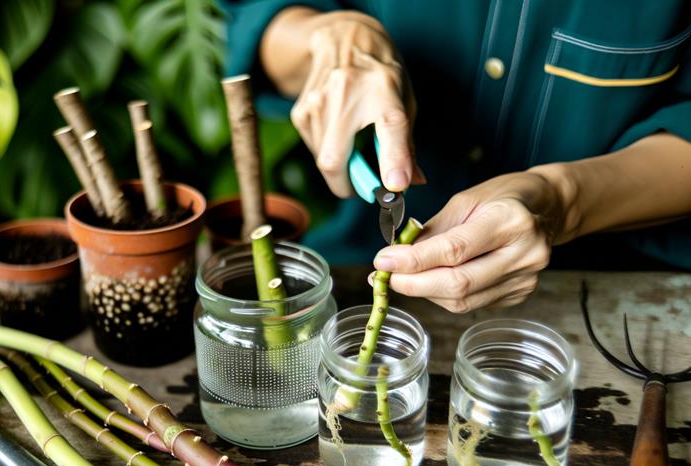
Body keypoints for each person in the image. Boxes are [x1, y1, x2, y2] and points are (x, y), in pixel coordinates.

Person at [222, 1, 691, 312]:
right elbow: (260, 19)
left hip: (618, 296)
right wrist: (334, 39)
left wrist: (561, 199)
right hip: (351, 273)